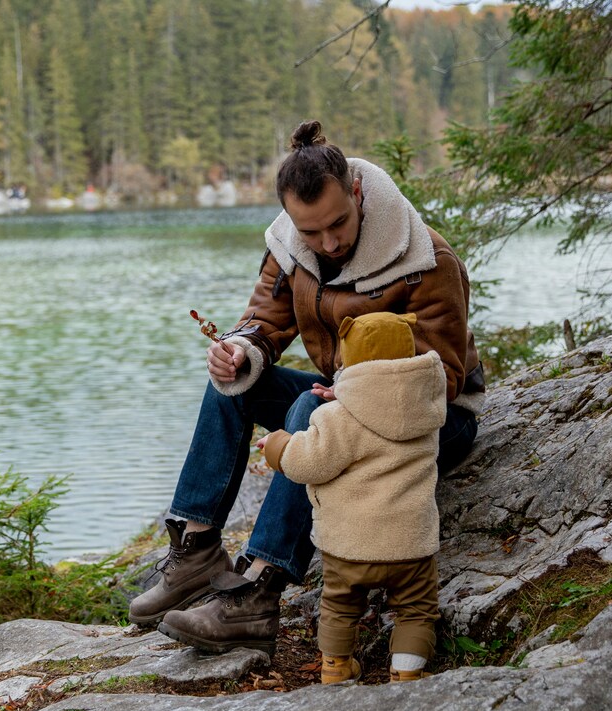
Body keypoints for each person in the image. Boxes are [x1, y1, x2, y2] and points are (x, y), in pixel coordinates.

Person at [130, 119, 484, 656]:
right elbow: (264, 323)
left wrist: (355, 393)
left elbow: (446, 372)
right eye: (311, 231)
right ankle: (197, 548)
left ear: (357, 191)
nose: (328, 242)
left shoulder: (424, 259)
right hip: (344, 396)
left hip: (437, 418)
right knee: (232, 386)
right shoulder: (291, 246)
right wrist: (238, 352)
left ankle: (258, 592)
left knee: (308, 409)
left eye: (337, 224)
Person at [258, 311, 444, 683]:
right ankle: (407, 673)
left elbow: (310, 461)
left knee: (340, 606)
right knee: (417, 612)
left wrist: (277, 445)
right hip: (411, 543)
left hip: (350, 546)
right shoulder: (428, 411)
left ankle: (336, 668)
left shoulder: (337, 416)